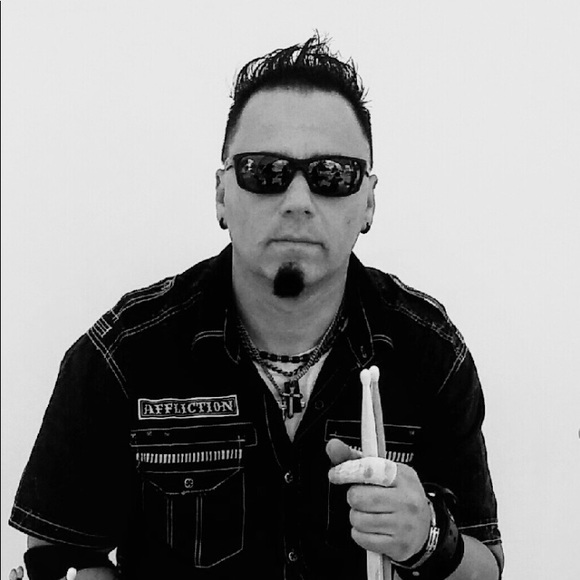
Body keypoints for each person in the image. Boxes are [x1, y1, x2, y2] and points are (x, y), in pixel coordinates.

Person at [9, 35, 503, 580]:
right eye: (265, 171)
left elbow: (486, 567)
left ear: (368, 202)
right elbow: (60, 554)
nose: (297, 202)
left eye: (332, 175)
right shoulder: (124, 355)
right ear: (222, 193)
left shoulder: (429, 353)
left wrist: (429, 539)